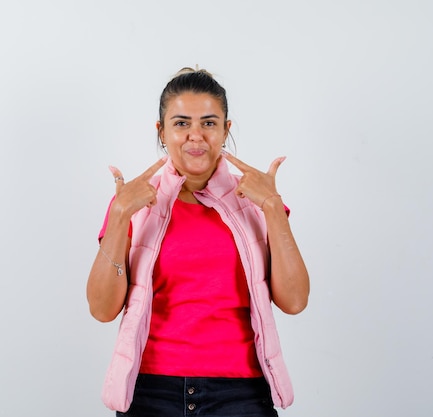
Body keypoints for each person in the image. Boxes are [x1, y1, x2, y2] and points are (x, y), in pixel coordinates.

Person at [86, 67, 310, 417]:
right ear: (161, 131)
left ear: (226, 129)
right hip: (150, 392)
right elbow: (102, 310)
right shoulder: (134, 203)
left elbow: (294, 301)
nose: (195, 136)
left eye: (208, 123)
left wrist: (272, 208)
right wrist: (119, 218)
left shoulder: (257, 200)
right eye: (181, 123)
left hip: (241, 395)